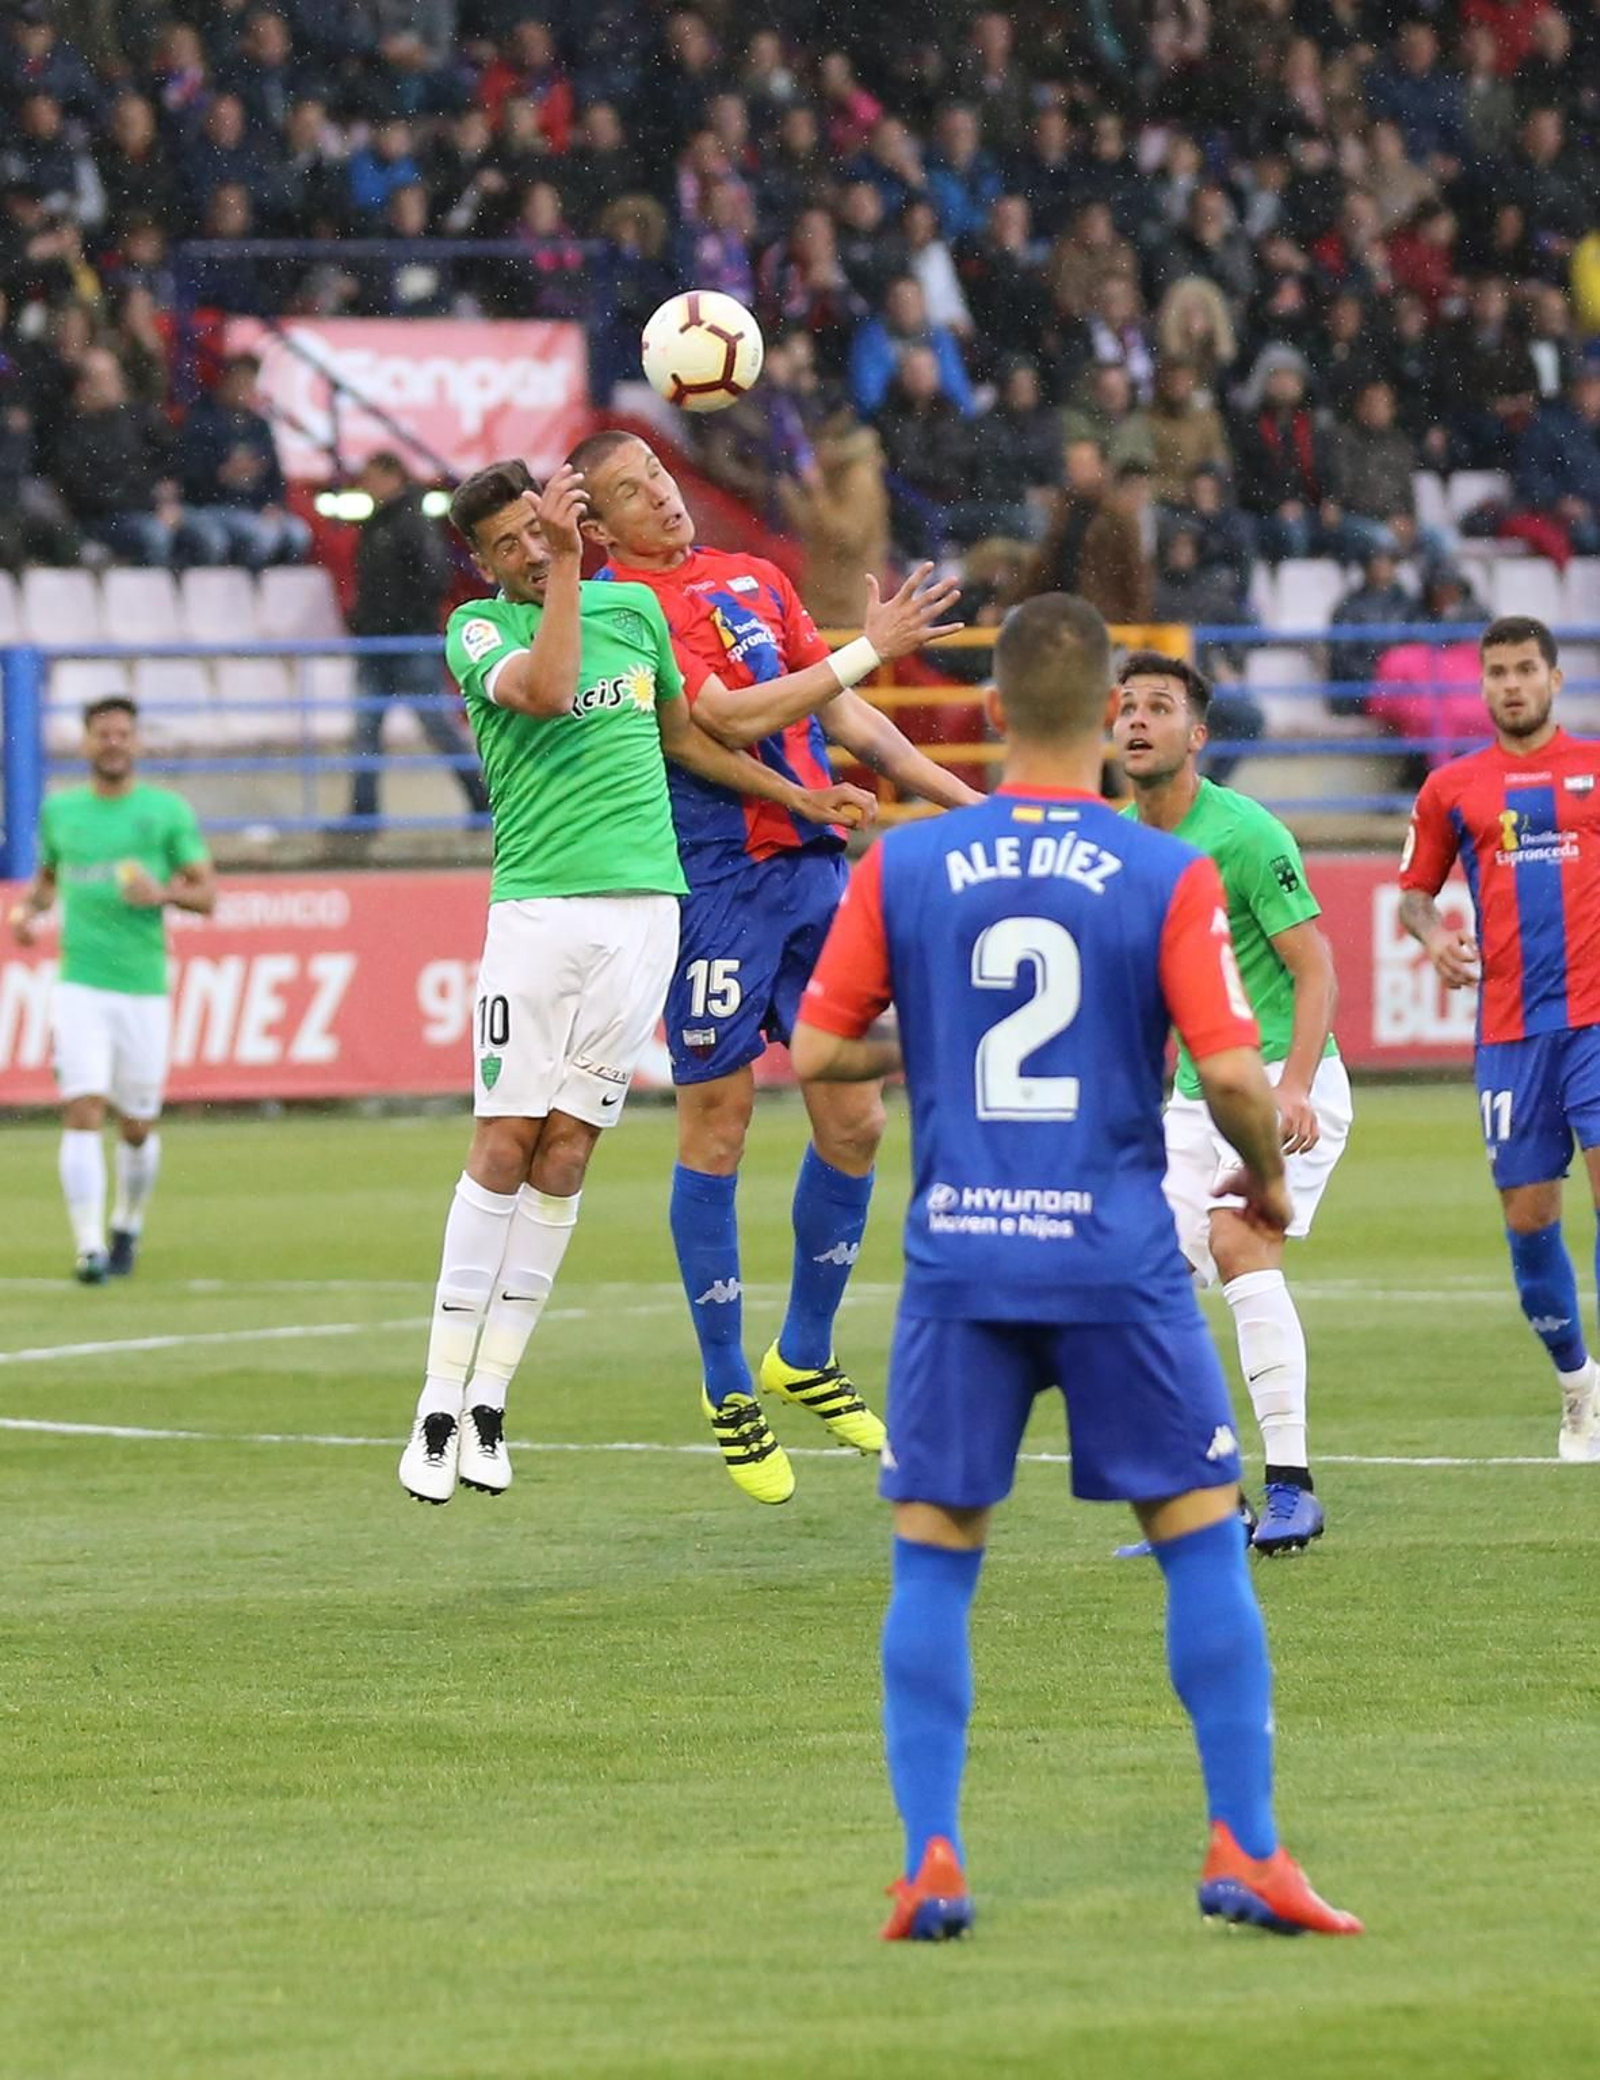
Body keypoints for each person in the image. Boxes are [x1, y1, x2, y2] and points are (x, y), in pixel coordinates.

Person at [789, 593, 1362, 1941]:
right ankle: (1247, 1851)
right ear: (1111, 716)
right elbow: (1230, 1075)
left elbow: (816, 1058)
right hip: (1114, 1258)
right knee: (1200, 1546)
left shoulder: (909, 867)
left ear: (991, 715)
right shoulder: (1164, 874)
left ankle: (931, 1859)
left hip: (963, 1261)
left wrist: (926, 1056)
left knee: (934, 1560)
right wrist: (1268, 1179)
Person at [399, 459, 873, 1506]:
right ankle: (436, 1402)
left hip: (645, 913)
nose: (529, 548)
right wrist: (567, 568)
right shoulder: (481, 632)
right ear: (483, 564)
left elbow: (685, 741)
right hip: (539, 912)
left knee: (567, 1154)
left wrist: (800, 799)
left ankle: (488, 1405)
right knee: (503, 1140)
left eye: (539, 529)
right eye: (509, 544)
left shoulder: (633, 614)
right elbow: (550, 690)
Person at [567, 429, 980, 1503]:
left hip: (814, 877)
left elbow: (847, 718)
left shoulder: (754, 577)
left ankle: (800, 1350)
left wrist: (979, 808)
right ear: (597, 528)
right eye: (630, 492)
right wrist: (866, 647)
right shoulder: (622, 611)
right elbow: (729, 720)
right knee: (721, 1120)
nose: (660, 496)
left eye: (659, 474)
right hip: (712, 884)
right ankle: (723, 1386)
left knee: (855, 1117)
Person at [1112, 650, 1349, 1552]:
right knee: (1149, 1289)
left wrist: (1292, 1082)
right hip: (1191, 1097)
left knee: (1238, 1238)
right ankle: (1211, 1502)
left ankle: (1293, 1486)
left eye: (1159, 707)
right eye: (1127, 706)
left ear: (1197, 735)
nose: (1136, 719)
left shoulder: (1247, 835)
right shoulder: (1128, 847)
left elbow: (1315, 964)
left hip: (1289, 1081)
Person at [1399, 615, 1600, 1464]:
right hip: (1511, 1037)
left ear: (1555, 680)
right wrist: (1434, 937)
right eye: (1496, 672)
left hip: (1595, 1022)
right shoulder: (1452, 787)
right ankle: (1578, 1389)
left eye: (1525, 669)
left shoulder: (1594, 768)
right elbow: (1413, 892)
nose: (1510, 684)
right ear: (1481, 686)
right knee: (1530, 1226)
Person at [6, 696, 214, 1282]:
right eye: (103, 734)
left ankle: (127, 1222)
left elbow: (208, 894)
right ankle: (89, 1247)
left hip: (143, 987)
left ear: (137, 742)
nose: (114, 742)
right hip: (80, 985)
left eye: (123, 733)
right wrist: (26, 913)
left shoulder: (165, 812)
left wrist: (164, 894)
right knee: (82, 1107)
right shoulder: (62, 812)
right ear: (86, 743)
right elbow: (48, 882)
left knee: (137, 1124)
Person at [348, 450, 489, 828]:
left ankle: (480, 800)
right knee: (378, 730)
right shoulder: (391, 522)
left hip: (405, 641)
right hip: (389, 640)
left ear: (392, 476)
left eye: (372, 477)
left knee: (425, 727)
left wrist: (399, 618)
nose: (367, 485)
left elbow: (432, 577)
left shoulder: (407, 523)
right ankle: (363, 814)